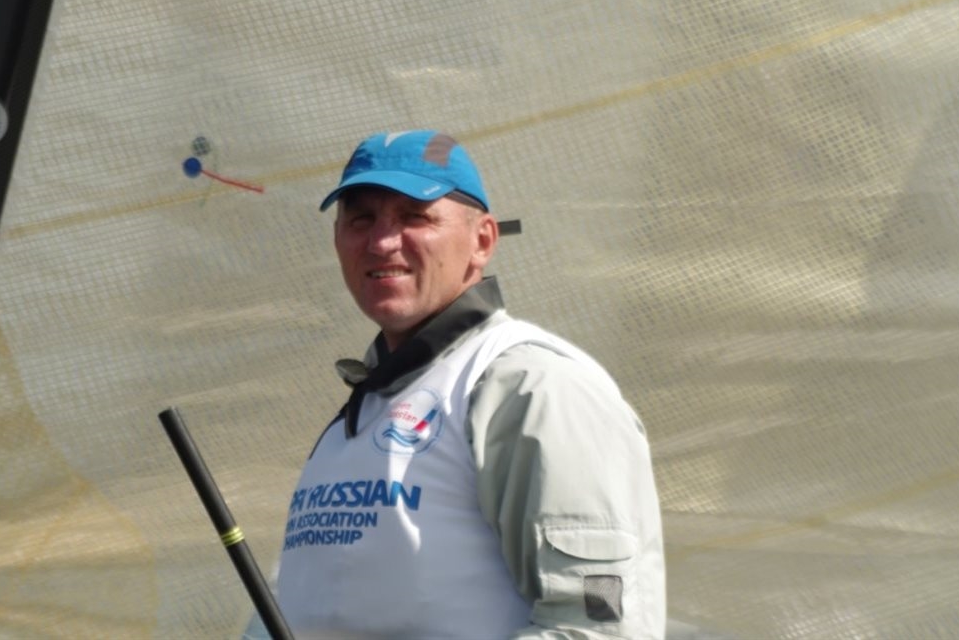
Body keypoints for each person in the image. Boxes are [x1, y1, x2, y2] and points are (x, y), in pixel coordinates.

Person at [255, 130, 665, 639]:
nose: (382, 242)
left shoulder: (534, 388)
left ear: (483, 241)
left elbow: (600, 626)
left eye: (415, 216)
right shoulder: (359, 414)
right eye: (361, 219)